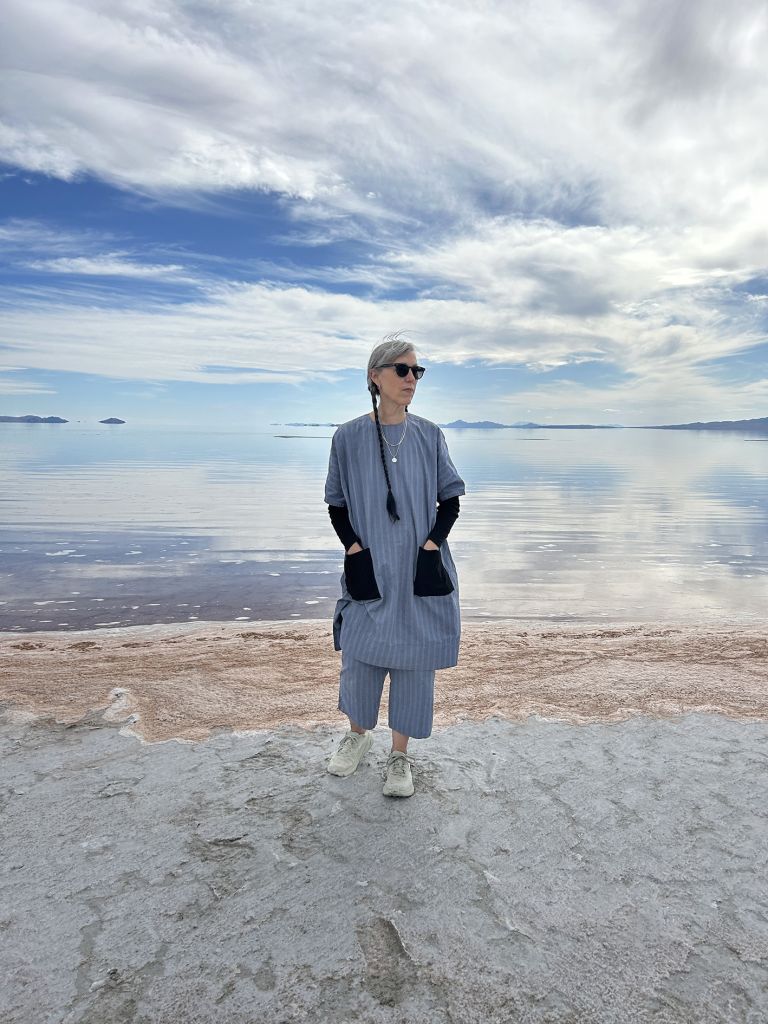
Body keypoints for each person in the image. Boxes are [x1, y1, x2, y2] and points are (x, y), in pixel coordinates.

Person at [323, 332, 466, 797]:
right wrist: (352, 549)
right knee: (360, 656)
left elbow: (451, 500)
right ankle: (357, 736)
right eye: (402, 370)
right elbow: (336, 504)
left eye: (417, 371)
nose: (411, 379)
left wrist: (430, 545)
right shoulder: (347, 437)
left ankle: (400, 758)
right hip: (370, 565)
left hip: (417, 567)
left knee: (413, 660)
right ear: (375, 376)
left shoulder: (430, 434)